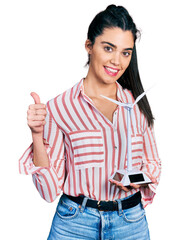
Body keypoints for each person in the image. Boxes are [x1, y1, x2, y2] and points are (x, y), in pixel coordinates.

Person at [19, 4, 161, 240]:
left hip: (130, 223)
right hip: (75, 224)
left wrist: (136, 180)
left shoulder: (136, 106)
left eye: (126, 52)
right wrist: (36, 134)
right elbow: (48, 191)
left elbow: (153, 163)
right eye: (108, 48)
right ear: (89, 46)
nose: (117, 61)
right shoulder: (59, 107)